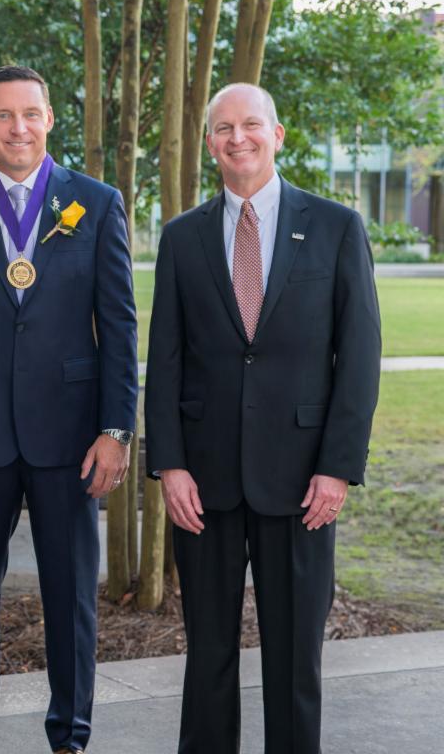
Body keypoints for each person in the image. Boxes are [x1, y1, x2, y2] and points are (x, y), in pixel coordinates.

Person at [145, 82, 381, 752]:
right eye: (223, 128)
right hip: (205, 482)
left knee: (294, 659)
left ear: (277, 136)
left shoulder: (336, 227)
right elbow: (164, 360)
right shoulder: (183, 237)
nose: (237, 138)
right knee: (208, 655)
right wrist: (169, 464)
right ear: (209, 143)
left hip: (304, 482)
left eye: (251, 125)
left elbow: (359, 357)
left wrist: (338, 468)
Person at [0, 65, 138, 754]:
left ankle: (70, 736)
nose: (19, 128)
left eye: (31, 114)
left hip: (71, 439)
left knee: (72, 597)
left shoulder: (97, 204)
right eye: (5, 115)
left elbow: (121, 326)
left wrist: (115, 429)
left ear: (50, 120)